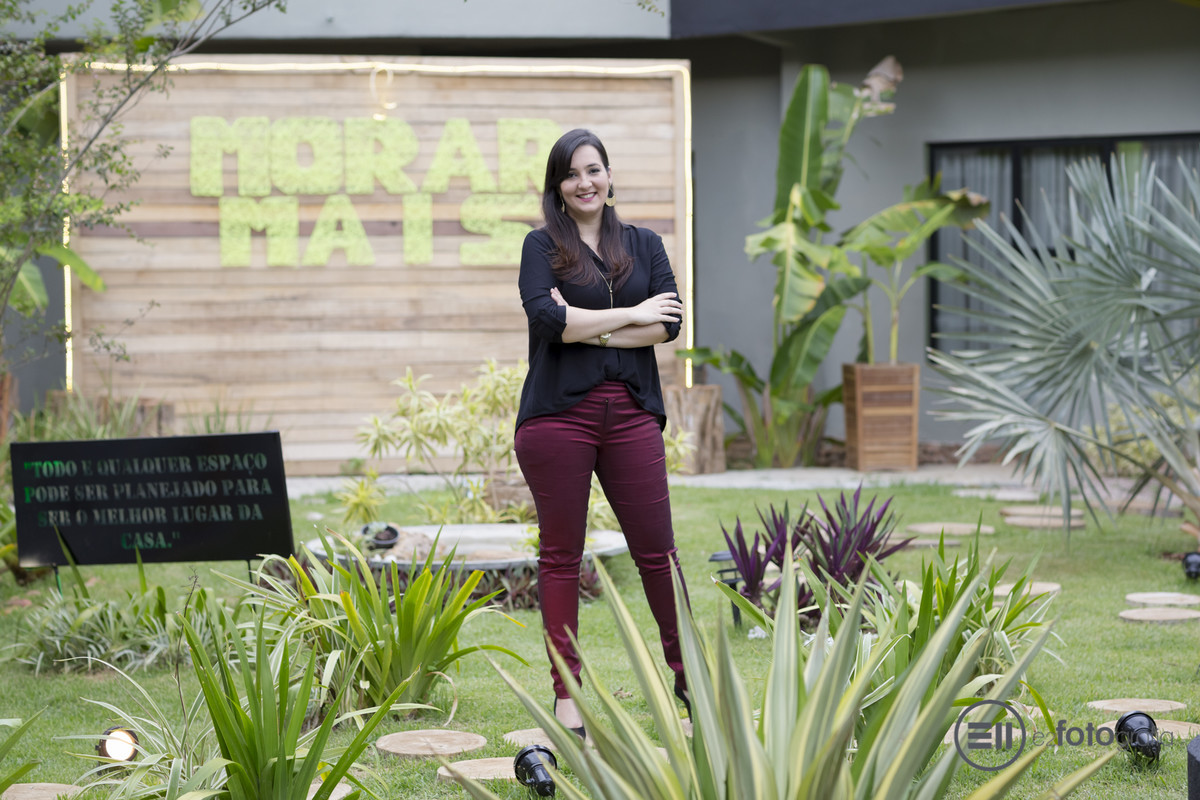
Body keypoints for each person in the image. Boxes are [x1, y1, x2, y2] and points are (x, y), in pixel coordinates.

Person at [513, 128, 690, 737]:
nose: (584, 183)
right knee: (561, 556)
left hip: (633, 412)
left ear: (609, 175)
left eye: (593, 170)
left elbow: (669, 323)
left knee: (658, 554)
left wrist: (594, 325)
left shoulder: (643, 243)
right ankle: (568, 698)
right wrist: (630, 314)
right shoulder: (541, 246)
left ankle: (690, 680)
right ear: (557, 187)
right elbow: (547, 319)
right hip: (558, 416)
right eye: (571, 174)